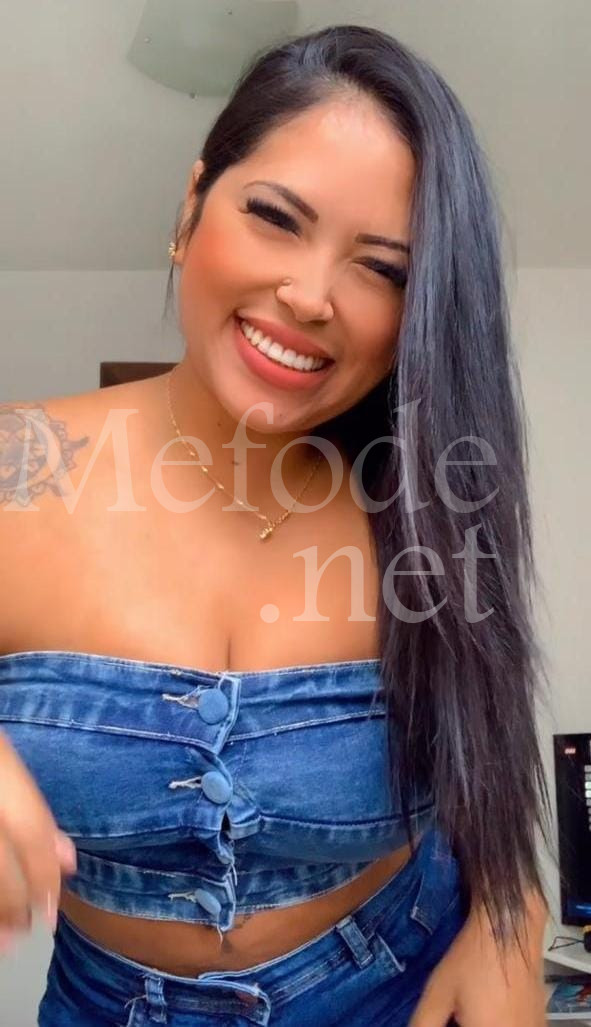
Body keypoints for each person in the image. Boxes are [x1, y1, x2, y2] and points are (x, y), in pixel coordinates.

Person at [0, 23, 553, 1027]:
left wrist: (509, 911)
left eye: (382, 269)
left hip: (400, 987)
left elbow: (481, 730)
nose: (309, 295)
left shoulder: (424, 499)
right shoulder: (18, 464)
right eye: (274, 217)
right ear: (191, 207)